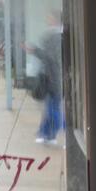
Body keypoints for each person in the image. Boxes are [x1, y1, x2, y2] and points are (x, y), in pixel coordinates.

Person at [33, 12, 65, 147]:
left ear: (56, 21)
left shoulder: (54, 36)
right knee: (51, 107)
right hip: (55, 78)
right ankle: (46, 134)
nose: (47, 20)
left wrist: (35, 50)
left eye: (50, 18)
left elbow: (50, 58)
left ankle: (62, 132)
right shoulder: (58, 35)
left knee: (53, 109)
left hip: (53, 78)